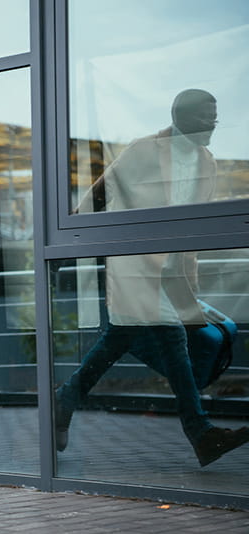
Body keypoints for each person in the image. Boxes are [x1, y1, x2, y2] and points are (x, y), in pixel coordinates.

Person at [56, 89, 249, 467]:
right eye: (206, 118)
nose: (212, 125)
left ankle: (65, 399)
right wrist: (66, 246)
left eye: (215, 119)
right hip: (135, 266)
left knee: (119, 338)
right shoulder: (145, 150)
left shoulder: (208, 162)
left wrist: (189, 289)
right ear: (182, 116)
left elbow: (195, 224)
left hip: (174, 272)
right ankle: (201, 434)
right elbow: (102, 192)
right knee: (173, 337)